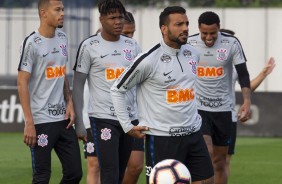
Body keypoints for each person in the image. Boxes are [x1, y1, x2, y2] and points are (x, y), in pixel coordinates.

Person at [111, 6, 214, 184]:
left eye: (187, 23)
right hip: (162, 139)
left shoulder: (193, 54)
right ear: (164, 29)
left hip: (193, 133)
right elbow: (117, 89)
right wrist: (127, 126)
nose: (185, 28)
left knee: (208, 181)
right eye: (179, 24)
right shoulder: (148, 60)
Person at [72, 0, 142, 183]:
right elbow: (78, 84)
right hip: (103, 118)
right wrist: (79, 122)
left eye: (120, 17)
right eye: (112, 18)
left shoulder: (132, 46)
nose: (118, 21)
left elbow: (142, 82)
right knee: (109, 171)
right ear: (101, 19)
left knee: (120, 173)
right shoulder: (89, 46)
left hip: (129, 118)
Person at [17, 0, 82, 183]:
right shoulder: (31, 43)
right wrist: (29, 122)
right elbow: (22, 83)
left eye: (63, 9)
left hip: (63, 119)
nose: (62, 13)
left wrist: (69, 102)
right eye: (57, 10)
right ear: (43, 13)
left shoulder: (63, 38)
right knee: (42, 177)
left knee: (74, 173)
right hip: (41, 122)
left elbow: (61, 75)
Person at [188, 12, 251, 184]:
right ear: (199, 29)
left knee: (220, 162)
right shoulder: (189, 43)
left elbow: (244, 75)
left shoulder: (231, 43)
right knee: (206, 153)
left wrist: (246, 101)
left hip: (224, 111)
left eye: (213, 33)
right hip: (198, 109)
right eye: (204, 33)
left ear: (218, 28)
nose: (209, 37)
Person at [220, 29, 276, 178]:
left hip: (228, 118)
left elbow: (247, 87)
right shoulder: (201, 61)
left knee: (225, 161)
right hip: (203, 116)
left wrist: (264, 73)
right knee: (205, 159)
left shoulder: (234, 66)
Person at [120, 11, 145, 184]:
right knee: (109, 167)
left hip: (134, 115)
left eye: (132, 33)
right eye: (125, 33)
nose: (130, 37)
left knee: (136, 166)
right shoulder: (96, 48)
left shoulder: (136, 49)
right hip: (106, 116)